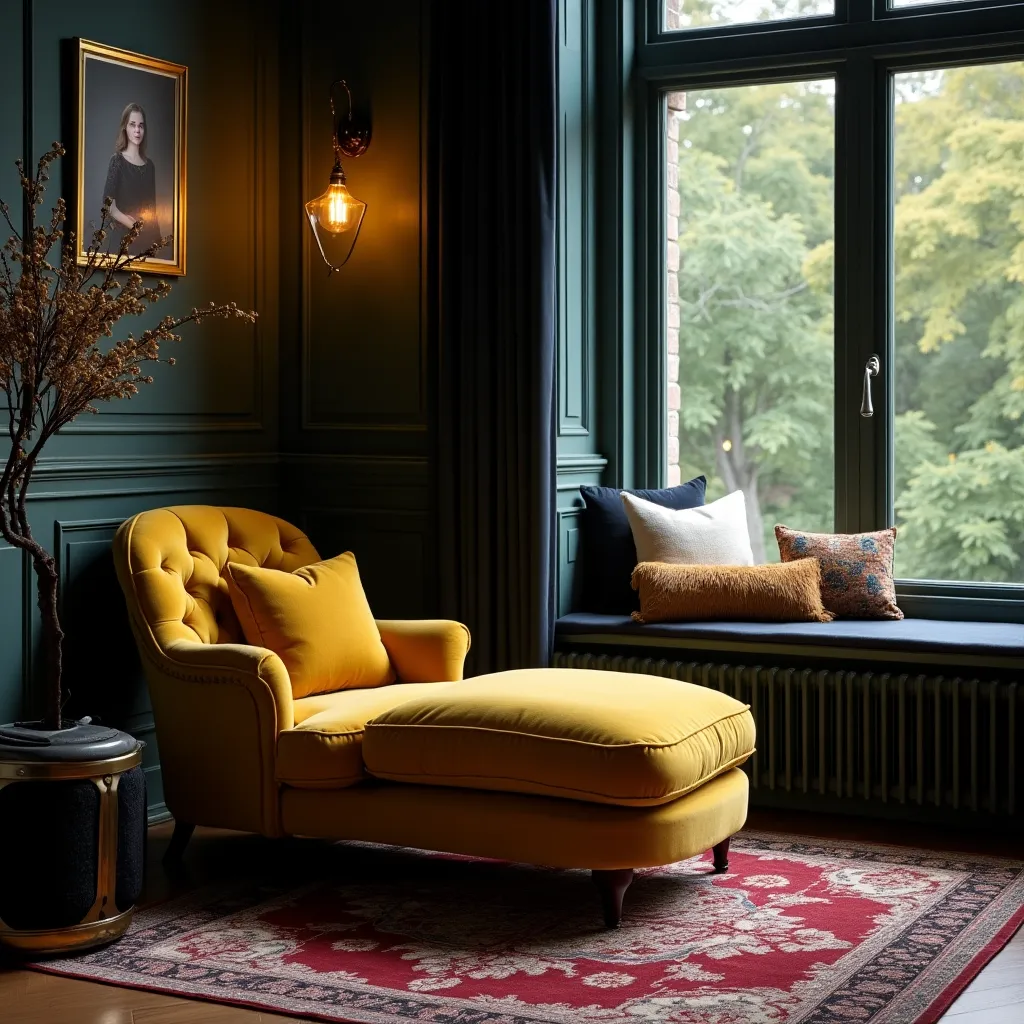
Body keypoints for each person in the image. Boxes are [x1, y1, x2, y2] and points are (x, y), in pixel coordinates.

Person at [102, 102, 161, 255]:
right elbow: (109, 206)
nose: (137, 130)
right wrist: (133, 225)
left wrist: (157, 242)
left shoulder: (150, 167)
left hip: (146, 242)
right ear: (125, 127)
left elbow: (152, 209)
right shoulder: (117, 161)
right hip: (123, 241)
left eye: (141, 126)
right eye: (132, 124)